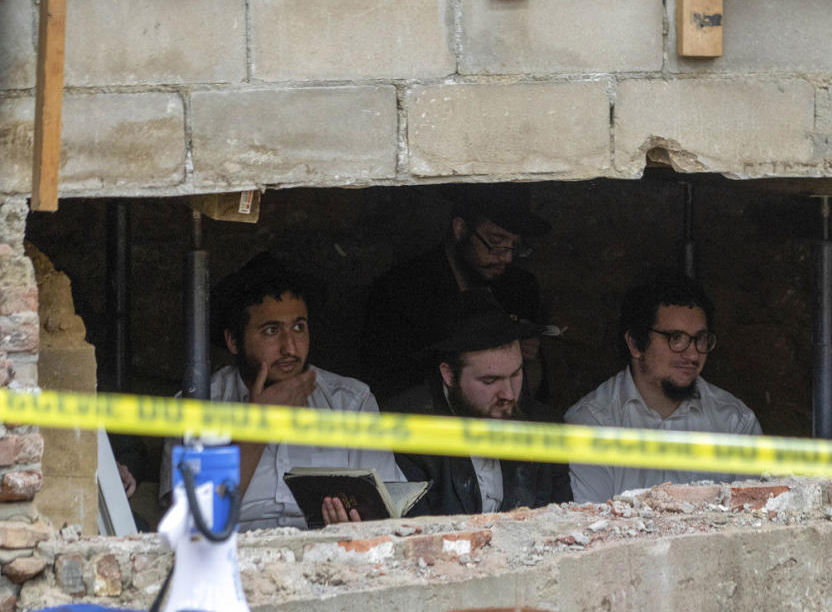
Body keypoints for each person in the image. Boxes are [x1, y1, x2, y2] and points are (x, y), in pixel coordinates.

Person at [159, 254, 403, 530]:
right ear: (233, 341)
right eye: (271, 330)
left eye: (299, 327)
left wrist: (353, 527)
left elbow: (389, 517)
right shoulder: (196, 406)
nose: (290, 347)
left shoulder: (350, 401)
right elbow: (194, 527)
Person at [565, 271, 761, 503]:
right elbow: (589, 527)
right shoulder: (592, 422)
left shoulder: (735, 423)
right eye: (675, 338)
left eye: (700, 339)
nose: (692, 353)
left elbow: (751, 524)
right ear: (636, 344)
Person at [362, 184, 551, 405]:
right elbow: (388, 388)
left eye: (514, 246)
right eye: (496, 242)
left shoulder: (520, 287)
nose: (507, 258)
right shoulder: (400, 291)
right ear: (461, 229)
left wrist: (530, 358)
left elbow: (533, 396)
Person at [388, 292, 571, 515]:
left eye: (515, 374)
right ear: (448, 375)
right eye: (490, 380)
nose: (509, 394)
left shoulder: (546, 428)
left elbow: (561, 525)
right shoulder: (406, 432)